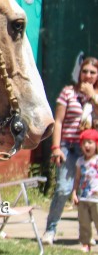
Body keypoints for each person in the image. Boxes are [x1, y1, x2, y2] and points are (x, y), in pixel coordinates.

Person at [43, 56, 98, 244]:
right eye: (85, 71)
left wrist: (92, 96)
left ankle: (87, 233)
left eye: (92, 72)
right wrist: (56, 147)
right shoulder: (68, 92)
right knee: (63, 189)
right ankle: (50, 230)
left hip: (90, 151)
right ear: (79, 73)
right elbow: (58, 121)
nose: (88, 75)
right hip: (68, 147)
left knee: (91, 193)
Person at [72, 128, 98, 252]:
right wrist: (74, 193)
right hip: (83, 197)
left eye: (90, 142)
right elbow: (77, 178)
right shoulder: (80, 161)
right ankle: (86, 243)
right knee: (84, 223)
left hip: (96, 198)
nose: (86, 145)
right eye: (84, 143)